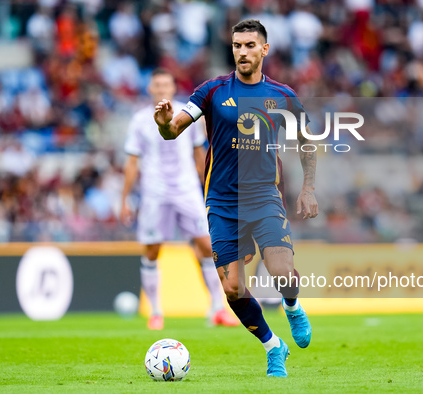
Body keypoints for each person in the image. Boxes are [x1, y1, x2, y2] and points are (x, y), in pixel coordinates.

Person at [153, 19, 318, 377]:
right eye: (236, 45)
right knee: (231, 289)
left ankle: (292, 306)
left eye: (248, 45)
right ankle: (274, 347)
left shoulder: (282, 95)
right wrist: (165, 123)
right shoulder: (212, 91)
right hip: (223, 204)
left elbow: (306, 140)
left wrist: (308, 187)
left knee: (283, 273)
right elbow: (174, 130)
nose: (242, 51)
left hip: (264, 198)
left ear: (264, 50)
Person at [121, 68, 238, 330]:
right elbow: (131, 162)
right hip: (154, 191)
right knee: (153, 250)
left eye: (166, 85)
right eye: (157, 85)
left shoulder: (188, 115)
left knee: (208, 246)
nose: (162, 89)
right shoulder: (140, 120)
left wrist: (208, 187)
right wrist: (124, 199)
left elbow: (199, 154)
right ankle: (156, 311)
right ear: (150, 89)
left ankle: (217, 309)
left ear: (173, 88)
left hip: (186, 189)